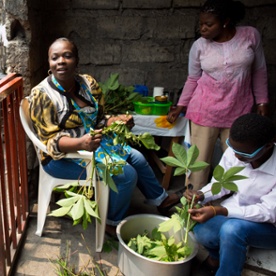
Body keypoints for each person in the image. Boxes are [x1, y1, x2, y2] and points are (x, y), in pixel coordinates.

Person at [27, 37, 182, 235]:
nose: (61, 62)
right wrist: (81, 143)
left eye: (67, 56)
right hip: (62, 158)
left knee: (137, 157)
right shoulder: (43, 95)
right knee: (126, 175)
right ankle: (111, 222)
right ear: (49, 63)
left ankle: (161, 200)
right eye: (54, 58)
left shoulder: (87, 84)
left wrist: (116, 121)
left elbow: (99, 120)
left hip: (93, 145)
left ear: (77, 60)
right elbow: (50, 143)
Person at [167, 0, 269, 190]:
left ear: (225, 22)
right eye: (201, 24)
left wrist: (262, 101)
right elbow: (193, 79)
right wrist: (181, 106)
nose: (203, 29)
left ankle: (231, 208)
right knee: (198, 165)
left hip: (239, 111)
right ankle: (192, 209)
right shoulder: (199, 46)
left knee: (237, 166)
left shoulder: (250, 36)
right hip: (204, 111)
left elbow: (259, 71)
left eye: (208, 24)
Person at [184, 113, 276, 276]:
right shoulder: (236, 152)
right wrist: (201, 195)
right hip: (236, 214)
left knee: (233, 229)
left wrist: (220, 211)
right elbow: (221, 184)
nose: (236, 156)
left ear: (268, 146)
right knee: (202, 230)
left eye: (244, 154)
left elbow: (267, 212)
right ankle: (215, 258)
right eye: (232, 148)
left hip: (270, 227)